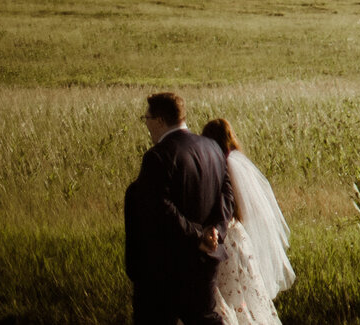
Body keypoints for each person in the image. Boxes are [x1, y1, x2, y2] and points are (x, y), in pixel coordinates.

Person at [123, 91, 230, 325]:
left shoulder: (158, 156)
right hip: (206, 259)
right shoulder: (212, 148)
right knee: (204, 319)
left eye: (147, 119)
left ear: (160, 120)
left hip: (167, 266)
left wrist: (197, 236)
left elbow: (160, 207)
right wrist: (217, 230)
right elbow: (226, 194)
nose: (147, 125)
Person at [200, 119, 294, 325]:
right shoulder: (238, 162)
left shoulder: (219, 166)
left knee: (222, 296)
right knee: (243, 297)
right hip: (238, 237)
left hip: (222, 237)